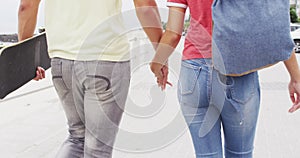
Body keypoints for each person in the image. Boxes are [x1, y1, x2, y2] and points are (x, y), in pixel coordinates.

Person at [148, 1, 300, 158]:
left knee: (206, 155)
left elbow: (173, 34)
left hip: (194, 73)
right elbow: (273, 26)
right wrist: (296, 77)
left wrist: (157, 63)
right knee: (240, 154)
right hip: (238, 69)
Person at [17, 0, 160, 157]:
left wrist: (27, 60)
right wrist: (161, 51)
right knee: (97, 149)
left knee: (76, 138)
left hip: (62, 62)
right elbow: (145, 7)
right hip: (106, 58)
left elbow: (27, 6)